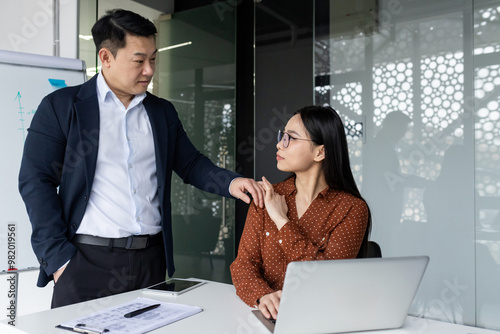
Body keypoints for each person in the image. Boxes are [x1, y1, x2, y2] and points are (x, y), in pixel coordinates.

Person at [18, 9, 263, 308]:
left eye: (153, 60)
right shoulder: (62, 107)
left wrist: (233, 182)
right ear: (106, 58)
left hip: (151, 262)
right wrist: (58, 260)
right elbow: (36, 180)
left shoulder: (162, 112)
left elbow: (190, 163)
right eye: (139, 61)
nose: (149, 70)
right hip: (85, 263)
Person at [230, 105, 371, 320]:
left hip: (322, 318)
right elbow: (243, 265)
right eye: (282, 136)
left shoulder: (351, 209)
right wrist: (263, 295)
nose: (279, 144)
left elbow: (326, 277)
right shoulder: (267, 195)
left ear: (320, 152)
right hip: (267, 319)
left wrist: (281, 220)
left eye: (291, 138)